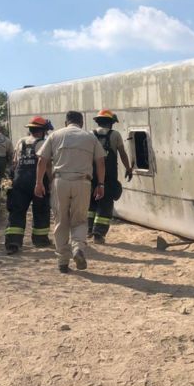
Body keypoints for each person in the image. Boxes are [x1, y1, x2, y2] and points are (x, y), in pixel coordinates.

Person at [35, 111, 106, 274]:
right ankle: (77, 248)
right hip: (83, 181)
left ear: (66, 122)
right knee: (80, 220)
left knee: (61, 221)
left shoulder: (55, 135)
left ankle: (62, 262)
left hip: (60, 181)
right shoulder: (90, 137)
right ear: (81, 123)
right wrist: (100, 184)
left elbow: (42, 160)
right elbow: (101, 161)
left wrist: (39, 183)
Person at [4, 116, 52, 254]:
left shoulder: (20, 142)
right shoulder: (43, 143)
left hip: (19, 180)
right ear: (42, 131)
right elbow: (47, 165)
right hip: (38, 180)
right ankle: (40, 239)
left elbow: (14, 162)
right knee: (41, 210)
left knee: (17, 211)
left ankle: (13, 242)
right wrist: (50, 181)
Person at [88, 109, 133, 244]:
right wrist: (128, 168)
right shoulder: (115, 135)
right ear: (111, 123)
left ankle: (88, 229)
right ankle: (99, 233)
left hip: (91, 174)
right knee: (106, 203)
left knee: (91, 203)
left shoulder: (90, 134)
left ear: (98, 121)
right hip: (108, 176)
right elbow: (122, 153)